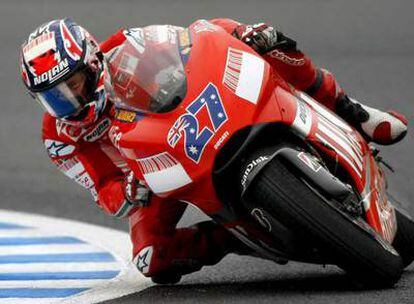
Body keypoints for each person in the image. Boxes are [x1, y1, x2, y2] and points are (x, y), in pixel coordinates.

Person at [19, 18, 407, 284]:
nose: (70, 100)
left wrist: (241, 33)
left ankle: (353, 111)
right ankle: (233, 236)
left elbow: (193, 38)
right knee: (151, 259)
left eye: (75, 84)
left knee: (264, 41)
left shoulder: (127, 47)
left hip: (185, 120)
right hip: (150, 172)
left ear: (92, 60)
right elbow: (102, 186)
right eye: (54, 96)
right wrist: (126, 193)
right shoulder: (60, 137)